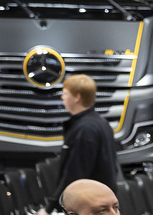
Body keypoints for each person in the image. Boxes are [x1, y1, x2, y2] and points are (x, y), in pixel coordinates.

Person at [52, 74, 121, 205]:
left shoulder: (84, 129)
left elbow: (75, 172)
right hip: (101, 197)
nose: (62, 97)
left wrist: (52, 204)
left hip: (88, 202)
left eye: (65, 93)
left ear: (77, 97)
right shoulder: (101, 122)